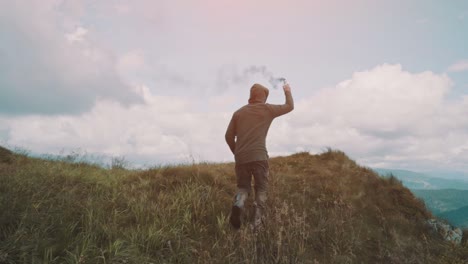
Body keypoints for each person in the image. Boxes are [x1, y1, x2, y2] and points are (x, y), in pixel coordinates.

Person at [225, 82, 294, 229]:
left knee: (243, 188)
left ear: (251, 96)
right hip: (259, 157)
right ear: (263, 96)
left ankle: (239, 204)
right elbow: (289, 106)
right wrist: (287, 91)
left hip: (241, 158)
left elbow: (228, 136)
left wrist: (237, 152)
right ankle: (256, 223)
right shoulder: (267, 109)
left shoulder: (238, 113)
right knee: (261, 189)